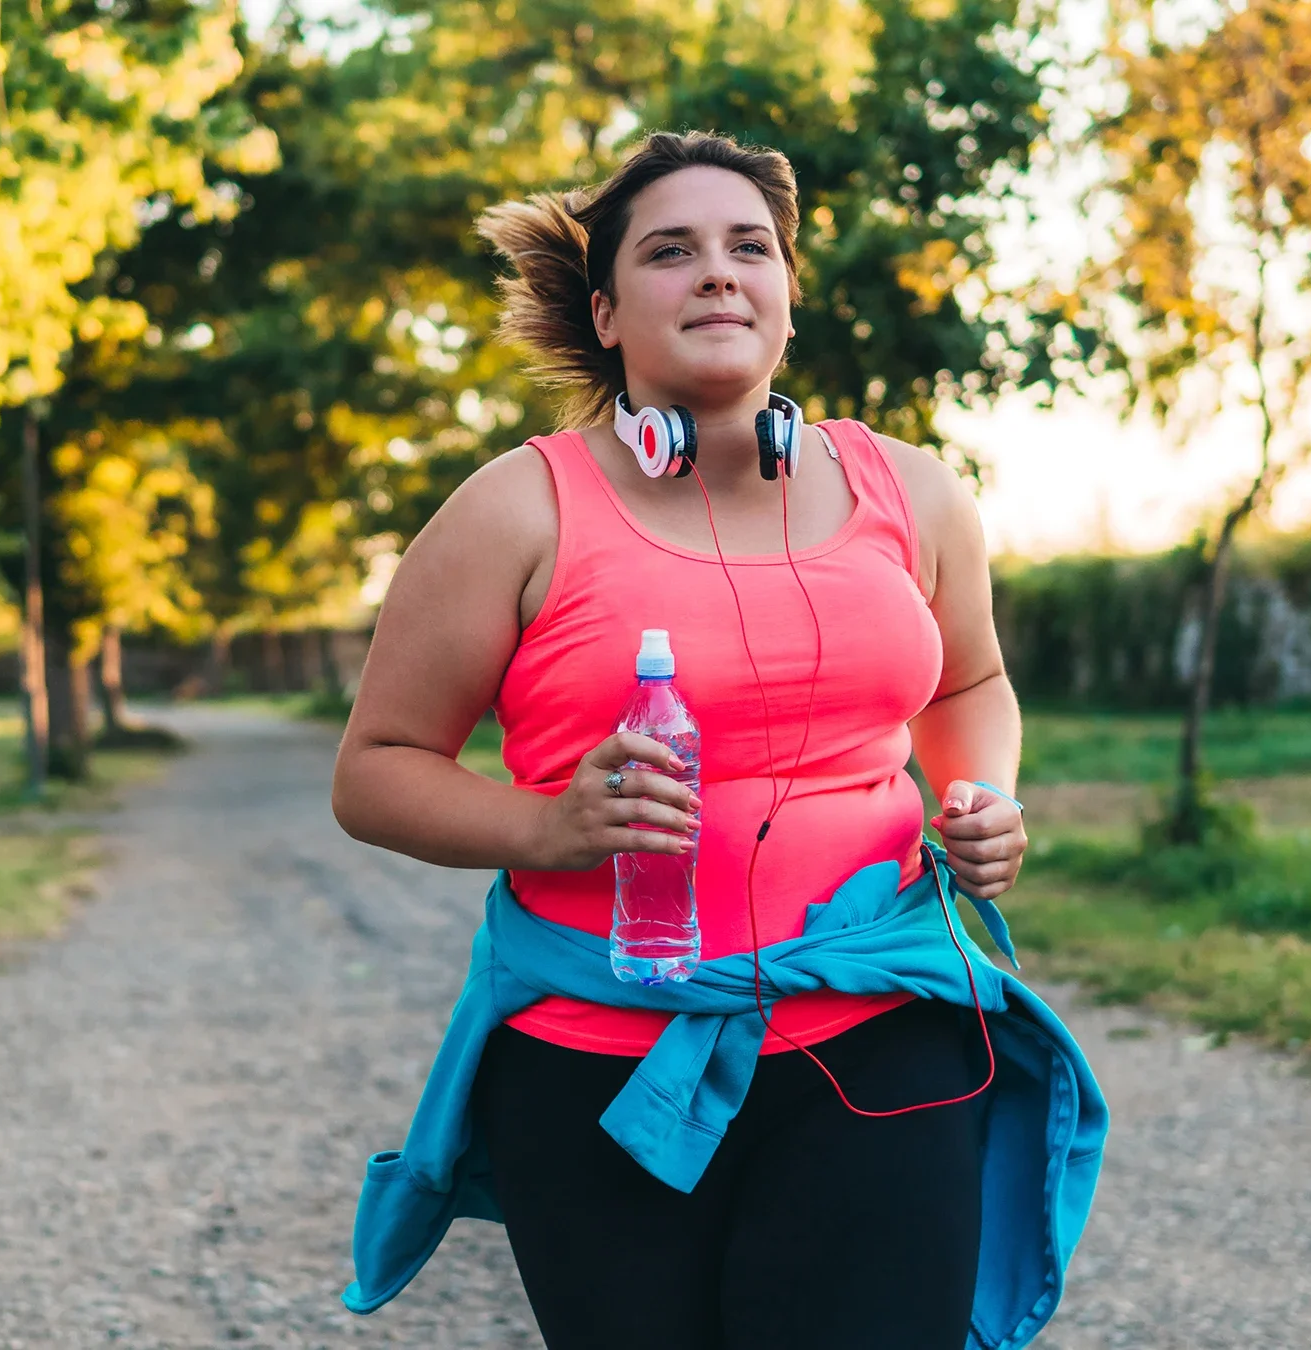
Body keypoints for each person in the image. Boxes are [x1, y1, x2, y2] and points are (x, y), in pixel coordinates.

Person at [331, 131, 1096, 1349]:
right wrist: (548, 824)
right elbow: (375, 772)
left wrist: (981, 796)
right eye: (670, 251)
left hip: (886, 1022)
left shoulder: (916, 492)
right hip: (599, 1064)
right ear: (607, 311)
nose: (718, 273)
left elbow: (972, 684)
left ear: (788, 297)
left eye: (751, 248)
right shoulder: (515, 509)